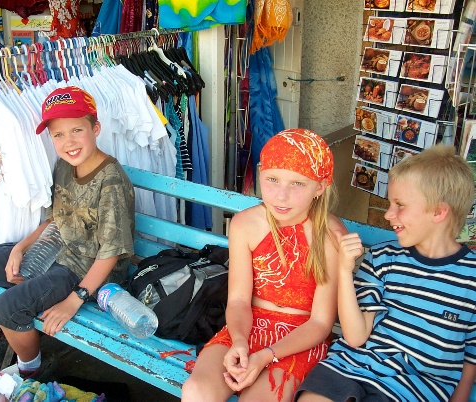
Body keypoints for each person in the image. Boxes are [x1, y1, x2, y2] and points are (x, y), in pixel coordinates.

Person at [0, 86, 135, 380]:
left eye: (77, 130)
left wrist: (75, 298)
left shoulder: (112, 181)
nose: (68, 142)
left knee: (8, 308)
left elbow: (112, 251)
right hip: (56, 249)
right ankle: (18, 325)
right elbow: (56, 217)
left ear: (95, 128)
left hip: (87, 271)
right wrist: (21, 247)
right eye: (58, 134)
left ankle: (31, 366)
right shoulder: (66, 165)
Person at [296, 144, 476, 402]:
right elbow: (355, 337)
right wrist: (345, 271)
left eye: (400, 205)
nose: (389, 215)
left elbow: (471, 355)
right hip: (350, 366)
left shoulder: (471, 278)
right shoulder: (383, 257)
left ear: (438, 212)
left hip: (414, 388)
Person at [182, 128, 346, 401]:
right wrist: (239, 342)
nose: (281, 196)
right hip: (246, 327)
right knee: (196, 391)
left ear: (320, 186)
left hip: (300, 340)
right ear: (259, 173)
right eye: (273, 179)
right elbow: (237, 301)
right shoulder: (245, 224)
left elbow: (320, 323)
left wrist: (266, 356)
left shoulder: (330, 235)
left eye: (297, 184)